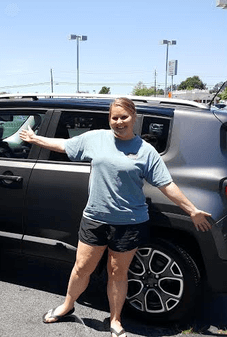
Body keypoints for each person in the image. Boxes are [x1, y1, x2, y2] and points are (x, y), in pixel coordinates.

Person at [19, 97, 212, 337]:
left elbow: (166, 184)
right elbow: (65, 145)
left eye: (124, 117)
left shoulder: (146, 151)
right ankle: (67, 306)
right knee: (81, 268)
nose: (119, 122)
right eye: (114, 117)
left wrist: (191, 210)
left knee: (117, 273)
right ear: (109, 119)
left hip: (129, 223)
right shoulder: (96, 139)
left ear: (134, 117)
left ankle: (115, 320)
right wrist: (36, 138)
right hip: (95, 218)